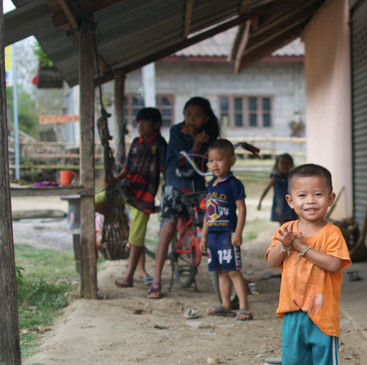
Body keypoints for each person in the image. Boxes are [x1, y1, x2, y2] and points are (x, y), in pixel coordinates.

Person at [265, 164, 351, 365]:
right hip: (292, 307)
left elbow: (334, 264)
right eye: (302, 195)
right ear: (290, 200)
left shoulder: (331, 233)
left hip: (322, 309)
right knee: (294, 357)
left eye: (318, 194)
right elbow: (272, 261)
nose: (310, 201)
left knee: (323, 358)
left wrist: (302, 248)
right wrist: (285, 244)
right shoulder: (286, 230)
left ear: (331, 199)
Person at [148, 97, 220, 298]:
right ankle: (156, 281)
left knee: (213, 223)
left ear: (206, 118)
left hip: (197, 188)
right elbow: (183, 165)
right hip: (175, 186)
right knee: (168, 228)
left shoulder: (210, 135)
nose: (191, 119)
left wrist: (203, 143)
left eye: (197, 116)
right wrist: (196, 145)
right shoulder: (176, 131)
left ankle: (229, 271)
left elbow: (213, 161)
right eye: (188, 114)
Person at [95, 107, 166, 289]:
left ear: (156, 125)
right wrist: (115, 179)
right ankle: (119, 223)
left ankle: (129, 277)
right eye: (138, 122)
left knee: (136, 237)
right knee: (93, 202)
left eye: (144, 122)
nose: (140, 126)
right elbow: (126, 170)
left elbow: (164, 170)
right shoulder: (135, 143)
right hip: (125, 188)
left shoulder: (160, 144)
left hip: (145, 195)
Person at [199, 140, 252, 321]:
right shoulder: (211, 185)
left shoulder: (233, 184)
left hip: (227, 234)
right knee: (220, 271)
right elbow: (208, 212)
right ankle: (226, 305)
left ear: (232, 161)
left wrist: (238, 232)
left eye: (219, 160)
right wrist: (203, 235)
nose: (214, 164)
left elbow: (242, 209)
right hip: (213, 236)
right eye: (211, 160)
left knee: (233, 271)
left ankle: (244, 307)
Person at [257, 153, 297, 225]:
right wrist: (260, 202)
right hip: (280, 206)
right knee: (283, 226)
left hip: (291, 206)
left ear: (291, 165)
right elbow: (266, 190)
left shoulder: (293, 178)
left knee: (293, 225)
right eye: (282, 163)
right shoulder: (275, 178)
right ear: (277, 164)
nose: (285, 165)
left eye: (287, 163)